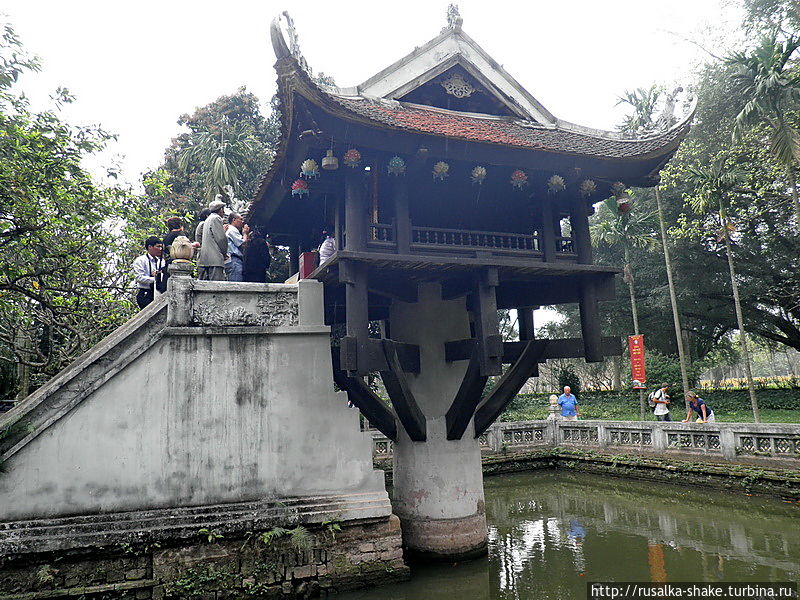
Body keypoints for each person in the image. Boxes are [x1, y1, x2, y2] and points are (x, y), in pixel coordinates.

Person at [197, 199, 228, 281]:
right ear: (220, 210)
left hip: (206, 259)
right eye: (223, 209)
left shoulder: (208, 219)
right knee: (217, 286)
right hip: (215, 259)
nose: (224, 212)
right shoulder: (216, 218)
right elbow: (221, 239)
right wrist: (224, 253)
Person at [132, 236, 164, 309]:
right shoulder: (140, 260)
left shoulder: (161, 261)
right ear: (150, 247)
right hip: (145, 293)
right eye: (158, 246)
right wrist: (156, 279)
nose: (160, 249)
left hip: (157, 293)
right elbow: (139, 278)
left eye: (161, 247)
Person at [225, 212, 247, 282]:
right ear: (234, 220)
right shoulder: (232, 230)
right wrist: (245, 233)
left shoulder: (231, 229)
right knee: (236, 284)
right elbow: (243, 244)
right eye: (240, 219)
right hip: (235, 260)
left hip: (232, 260)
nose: (242, 222)